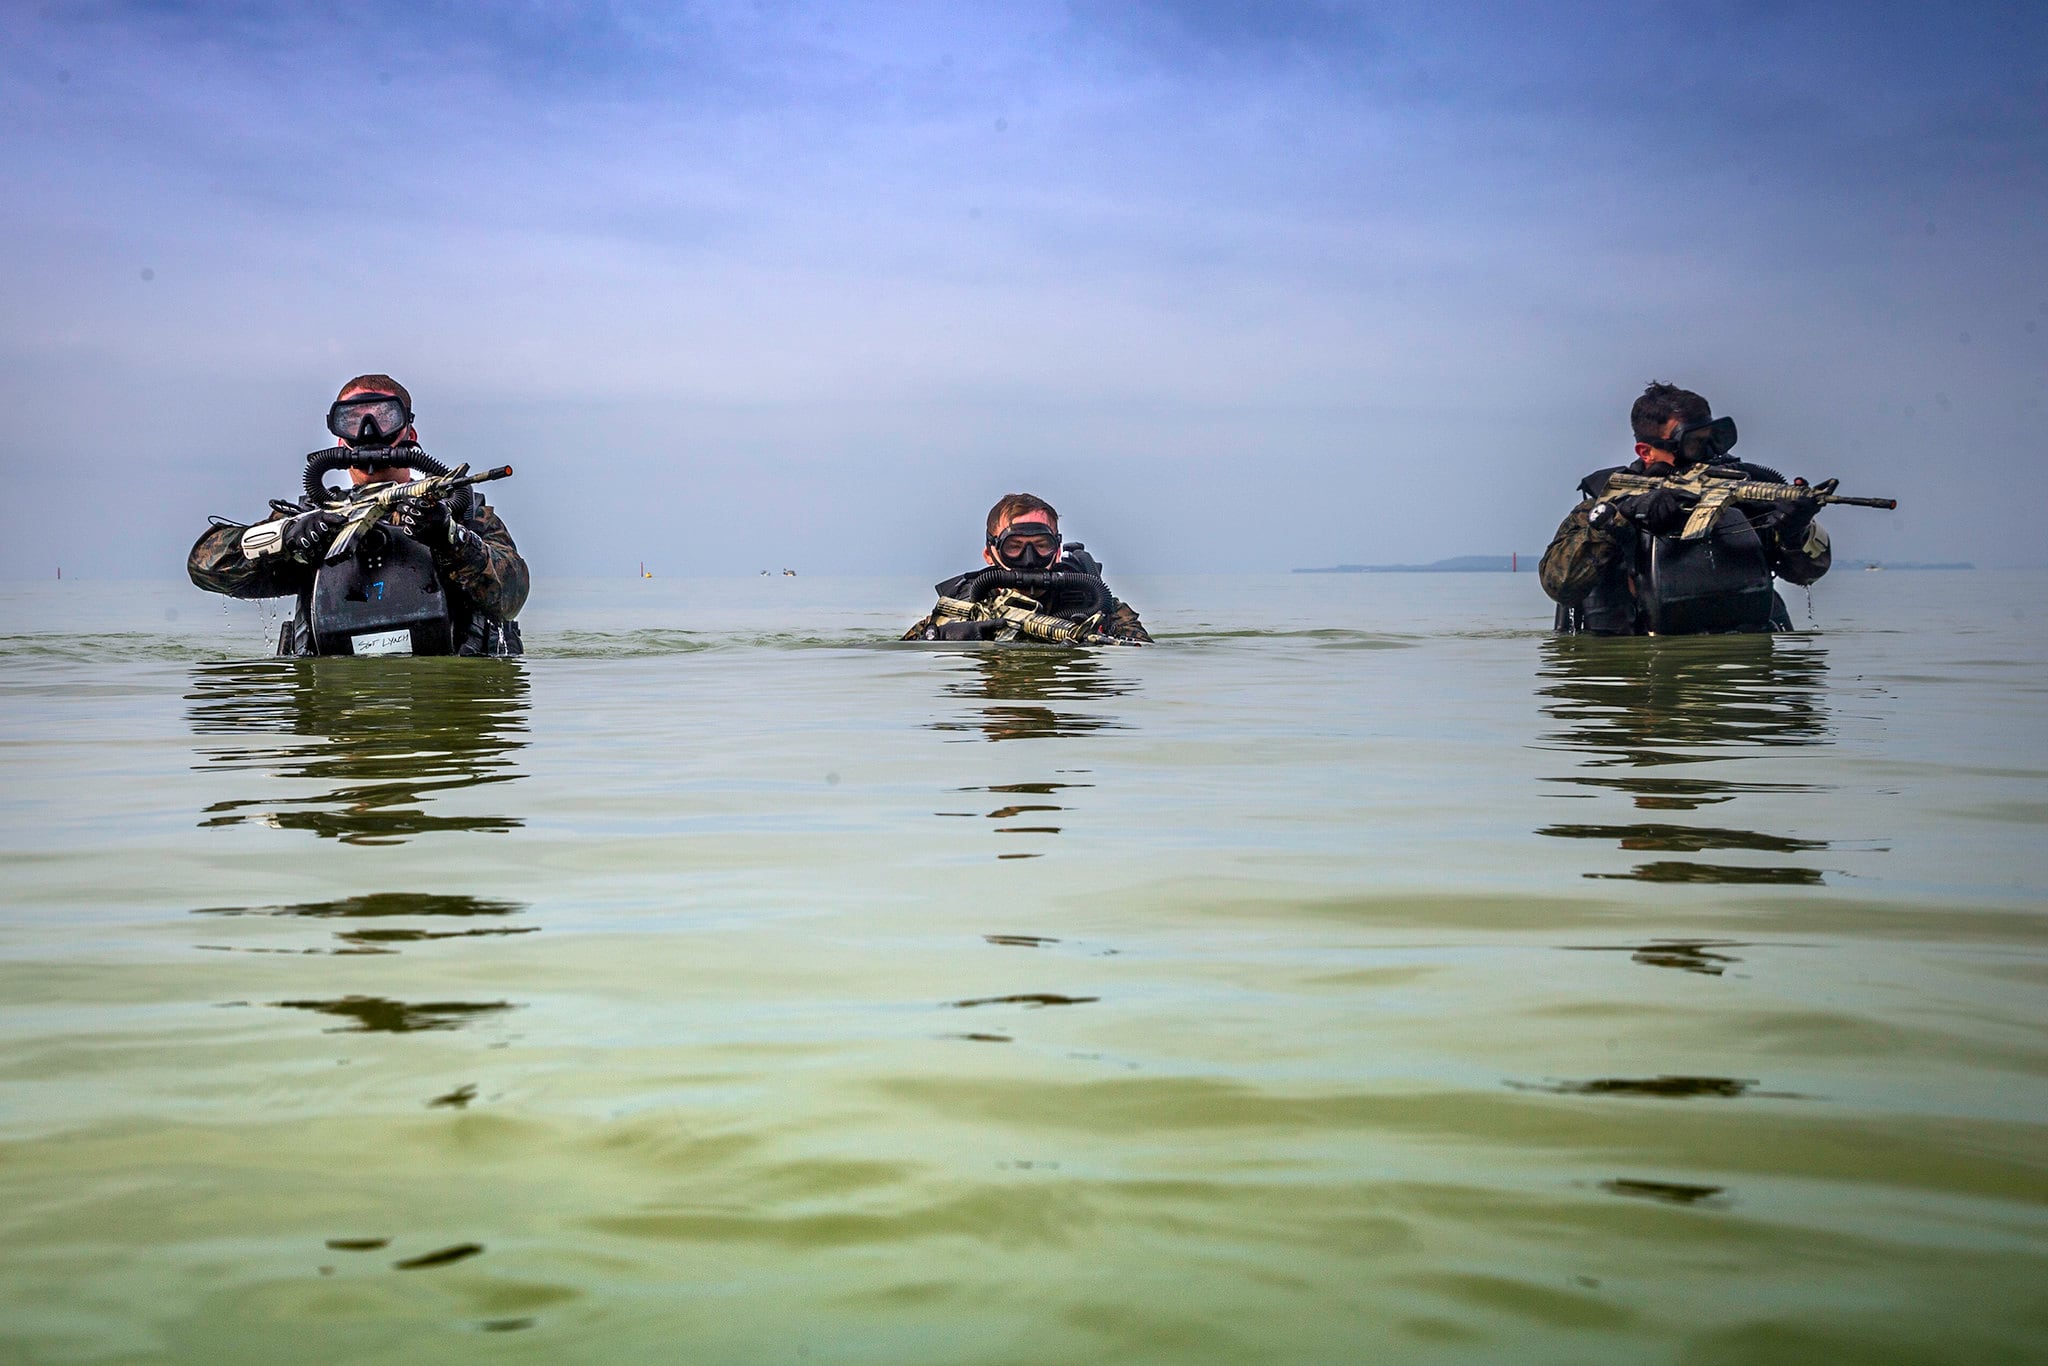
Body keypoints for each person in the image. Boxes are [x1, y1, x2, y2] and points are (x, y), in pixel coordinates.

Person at [188, 375, 528, 655]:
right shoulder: (314, 519)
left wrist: (449, 538)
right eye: (354, 421)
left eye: (383, 418)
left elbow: (512, 593)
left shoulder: (461, 512)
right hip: (340, 723)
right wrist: (289, 538)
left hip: (443, 719)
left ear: (408, 434)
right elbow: (207, 566)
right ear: (339, 438)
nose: (368, 431)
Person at [1539, 382, 1830, 635]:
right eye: (1692, 444)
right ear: (1646, 451)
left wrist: (1793, 532)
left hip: (1739, 680)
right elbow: (1559, 584)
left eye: (1711, 441)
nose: (1705, 455)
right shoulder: (1604, 507)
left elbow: (1808, 573)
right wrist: (1622, 519)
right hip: (1638, 674)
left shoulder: (1742, 498)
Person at [903, 493, 1151, 643]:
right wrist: (943, 637)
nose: (1029, 558)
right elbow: (900, 657)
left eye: (1041, 545)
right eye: (1015, 546)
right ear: (990, 554)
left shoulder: (1093, 601)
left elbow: (1143, 654)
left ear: (1057, 548)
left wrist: (1094, 636)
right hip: (996, 700)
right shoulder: (965, 604)